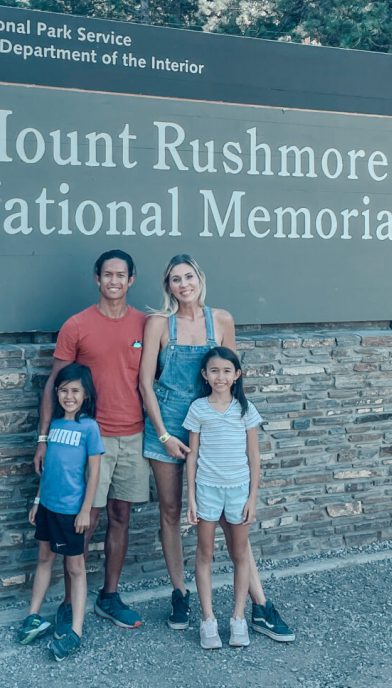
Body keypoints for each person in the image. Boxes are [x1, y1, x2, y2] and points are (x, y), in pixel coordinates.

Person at [140, 253, 294, 641]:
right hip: (169, 428)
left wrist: (238, 425)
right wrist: (162, 434)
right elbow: (145, 384)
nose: (183, 284)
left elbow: (230, 373)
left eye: (188, 276)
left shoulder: (221, 320)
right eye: (175, 279)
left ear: (199, 279)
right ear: (168, 286)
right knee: (172, 510)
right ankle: (180, 593)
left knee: (231, 519)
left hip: (213, 425)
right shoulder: (159, 323)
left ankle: (259, 604)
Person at [34, 249, 149, 634]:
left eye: (121, 275)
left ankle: (109, 597)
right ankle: (70, 601)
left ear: (131, 280)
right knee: (85, 520)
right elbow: (54, 383)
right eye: (107, 274)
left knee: (121, 516)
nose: (113, 281)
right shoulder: (77, 325)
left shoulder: (146, 325)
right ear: (96, 279)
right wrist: (44, 438)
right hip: (86, 442)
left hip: (132, 435)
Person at [18, 363, 104, 661]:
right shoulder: (53, 425)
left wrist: (85, 511)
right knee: (44, 559)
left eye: (75, 391)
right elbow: (49, 470)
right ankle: (33, 616)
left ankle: (76, 630)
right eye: (64, 390)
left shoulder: (89, 428)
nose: (69, 396)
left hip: (71, 511)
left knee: (75, 568)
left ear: (86, 395)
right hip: (48, 507)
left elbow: (93, 474)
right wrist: (38, 500)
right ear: (57, 393)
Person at [185, 347, 262, 649]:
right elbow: (191, 458)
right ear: (205, 375)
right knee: (205, 554)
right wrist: (191, 498)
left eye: (227, 371)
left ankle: (238, 618)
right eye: (214, 370)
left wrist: (252, 498)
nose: (220, 376)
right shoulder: (198, 409)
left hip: (238, 490)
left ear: (237, 375)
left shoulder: (245, 410)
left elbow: (254, 457)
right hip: (207, 489)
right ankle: (208, 620)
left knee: (239, 554)